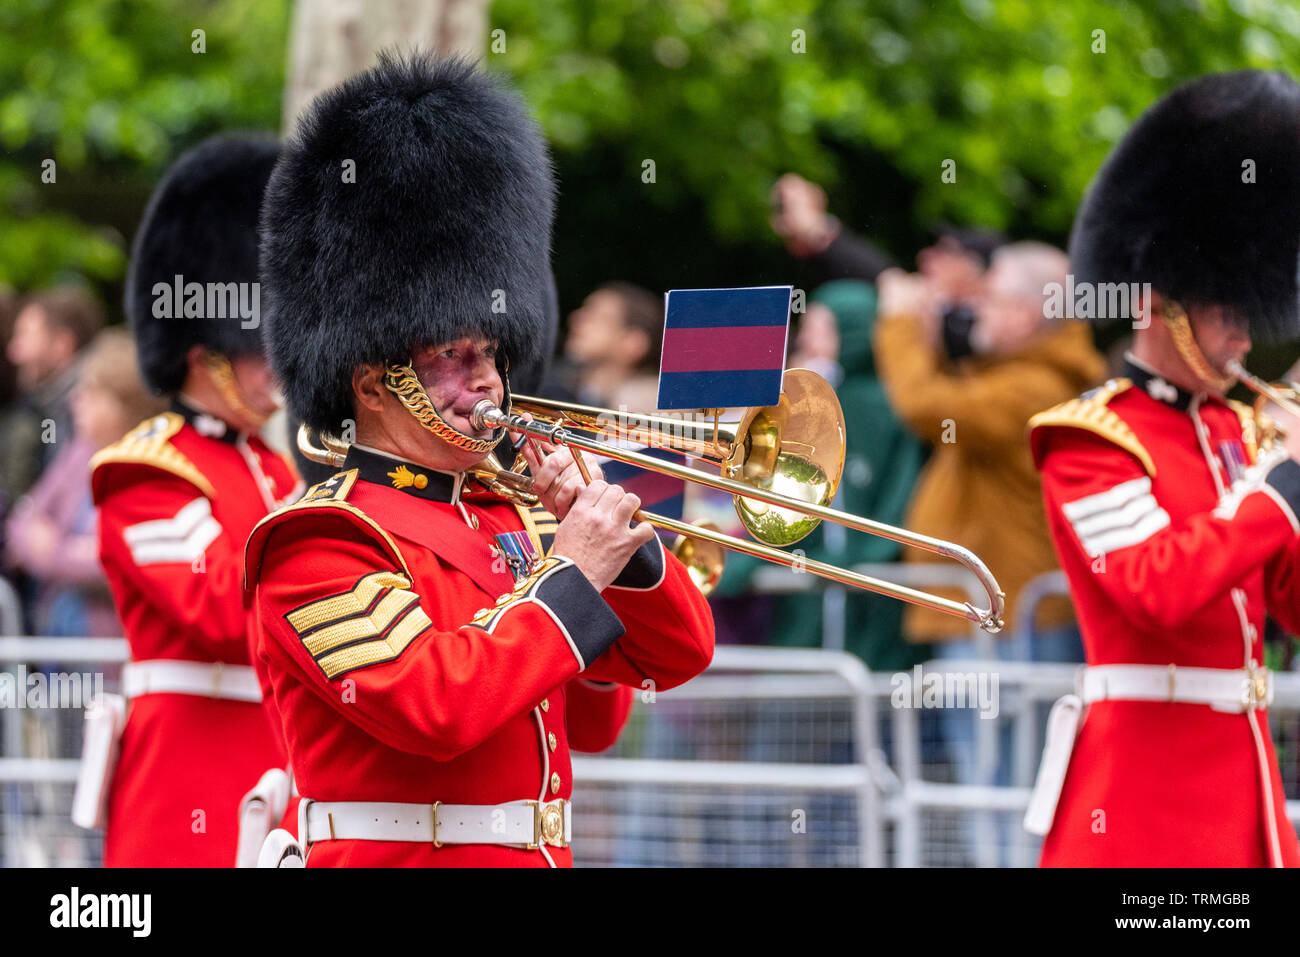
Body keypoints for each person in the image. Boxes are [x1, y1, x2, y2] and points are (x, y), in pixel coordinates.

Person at [249, 53, 714, 868]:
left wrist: (618, 543)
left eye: (490, 350)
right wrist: (570, 570)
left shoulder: (519, 518)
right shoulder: (315, 537)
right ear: (374, 379)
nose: (489, 379)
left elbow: (664, 666)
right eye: (452, 355)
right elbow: (436, 708)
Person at [1025, 70, 1300, 867]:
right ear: (1156, 303)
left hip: (1247, 782)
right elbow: (1155, 588)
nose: (1244, 342)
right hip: (1144, 795)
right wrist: (1281, 487)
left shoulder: (1237, 431)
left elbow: (1285, 601)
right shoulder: (1090, 436)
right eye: (1226, 313)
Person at [87, 133, 301, 866]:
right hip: (186, 774)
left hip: (277, 768)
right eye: (262, 342)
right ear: (205, 348)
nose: (279, 363)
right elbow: (218, 609)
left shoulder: (276, 469)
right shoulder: (145, 470)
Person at [875, 242, 1105, 654]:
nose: (977, 307)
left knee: (1002, 721)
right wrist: (927, 335)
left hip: (1009, 618)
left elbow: (926, 405)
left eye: (991, 298)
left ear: (1025, 315)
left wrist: (900, 323)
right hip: (998, 610)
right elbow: (953, 397)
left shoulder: (1034, 388)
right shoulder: (1019, 375)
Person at [5, 329, 166, 637]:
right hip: (57, 645)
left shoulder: (151, 466)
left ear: (123, 406)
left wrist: (50, 551)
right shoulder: (80, 453)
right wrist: (71, 552)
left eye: (89, 393)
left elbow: (119, 564)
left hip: (113, 657)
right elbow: (21, 522)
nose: (74, 401)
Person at [558, 281, 664, 411]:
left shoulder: (653, 415)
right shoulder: (553, 388)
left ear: (634, 343)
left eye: (597, 316)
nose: (575, 318)